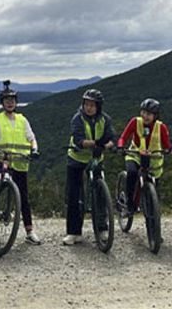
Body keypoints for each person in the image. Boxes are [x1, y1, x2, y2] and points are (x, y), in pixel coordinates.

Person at [0, 80, 42, 245]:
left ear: (16, 102)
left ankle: (29, 231)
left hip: (19, 162)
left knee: (24, 198)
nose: (10, 103)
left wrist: (34, 149)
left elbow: (31, 137)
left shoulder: (22, 119)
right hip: (2, 159)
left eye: (12, 100)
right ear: (2, 103)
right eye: (7, 100)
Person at [62, 89, 116, 245]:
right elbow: (79, 139)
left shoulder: (105, 119)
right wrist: (97, 144)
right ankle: (73, 232)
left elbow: (112, 136)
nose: (89, 108)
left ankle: (102, 228)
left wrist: (109, 145)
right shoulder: (77, 119)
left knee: (100, 194)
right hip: (77, 158)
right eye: (86, 104)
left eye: (92, 105)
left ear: (98, 106)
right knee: (74, 195)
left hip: (96, 158)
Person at [116, 98, 171, 218]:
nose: (145, 116)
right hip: (134, 155)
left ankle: (153, 211)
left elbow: (167, 145)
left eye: (149, 114)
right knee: (132, 173)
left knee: (154, 186)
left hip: (152, 159)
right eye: (144, 112)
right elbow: (123, 137)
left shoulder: (161, 127)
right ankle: (129, 204)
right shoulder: (135, 122)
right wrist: (120, 146)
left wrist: (170, 150)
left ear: (155, 116)